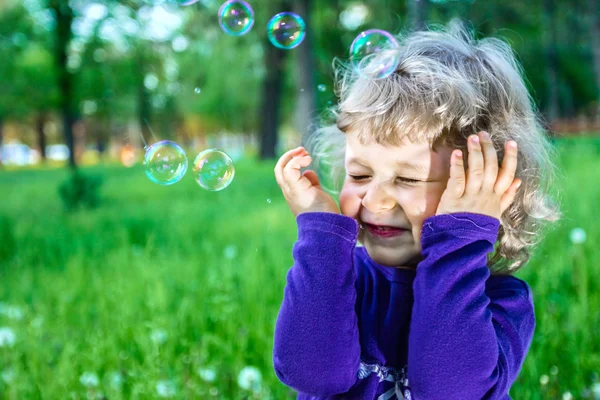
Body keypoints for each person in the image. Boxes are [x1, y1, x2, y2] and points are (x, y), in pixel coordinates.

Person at [272, 19, 563, 400]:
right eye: (358, 174)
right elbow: (310, 374)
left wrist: (460, 240)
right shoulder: (336, 278)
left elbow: (449, 390)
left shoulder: (502, 301)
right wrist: (320, 235)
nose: (375, 202)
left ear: (487, 189)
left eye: (409, 180)